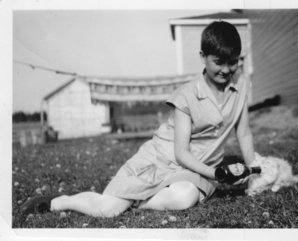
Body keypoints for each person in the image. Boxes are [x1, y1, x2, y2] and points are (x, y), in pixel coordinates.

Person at [21, 20, 257, 218]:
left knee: (185, 196)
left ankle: (137, 202)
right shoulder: (186, 95)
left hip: (193, 172)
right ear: (203, 57)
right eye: (219, 62)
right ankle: (60, 202)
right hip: (160, 160)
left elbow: (243, 133)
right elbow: (181, 153)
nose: (226, 70)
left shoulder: (241, 86)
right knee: (108, 210)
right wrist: (216, 174)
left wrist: (254, 174)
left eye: (233, 61)